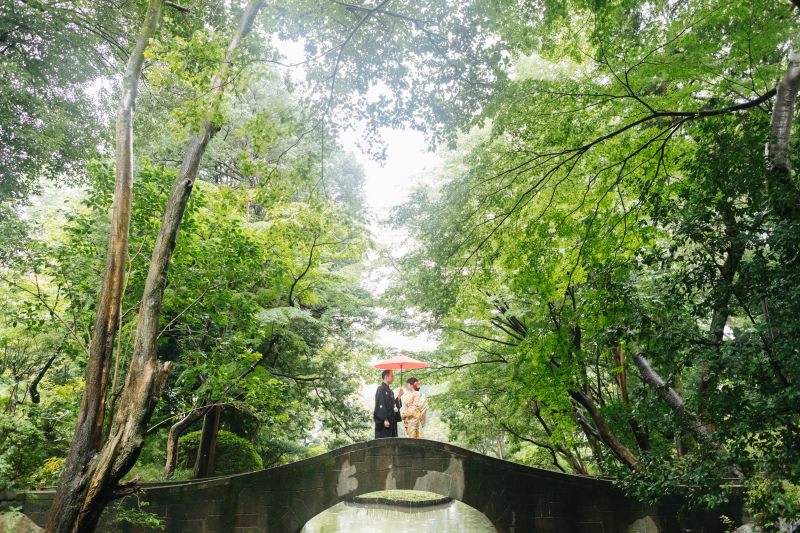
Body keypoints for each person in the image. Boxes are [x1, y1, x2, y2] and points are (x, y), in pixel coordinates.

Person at [373, 369, 403, 438]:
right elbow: (380, 404)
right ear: (386, 377)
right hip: (385, 421)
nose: (393, 378)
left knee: (392, 439)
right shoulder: (381, 389)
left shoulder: (390, 391)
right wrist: (384, 419)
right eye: (392, 376)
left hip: (392, 419)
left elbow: (393, 405)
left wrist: (399, 396)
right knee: (385, 440)